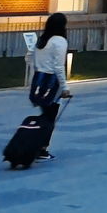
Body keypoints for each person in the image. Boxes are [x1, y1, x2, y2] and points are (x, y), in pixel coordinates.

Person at [27, 12, 72, 162]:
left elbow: (28, 56)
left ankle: (36, 144)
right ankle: (42, 147)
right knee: (50, 117)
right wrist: (65, 87)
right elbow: (59, 66)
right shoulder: (59, 41)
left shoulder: (42, 40)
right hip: (51, 81)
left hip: (38, 80)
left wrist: (38, 66)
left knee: (45, 114)